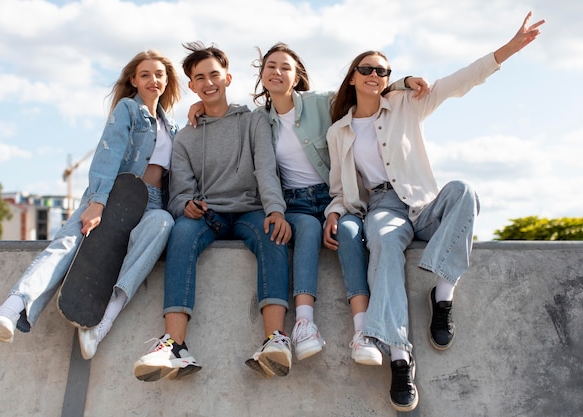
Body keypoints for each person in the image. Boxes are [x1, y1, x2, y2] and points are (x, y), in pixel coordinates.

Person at [323, 12, 544, 412]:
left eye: (382, 70)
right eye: (367, 69)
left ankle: (442, 296)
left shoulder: (407, 103)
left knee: (464, 191)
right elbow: (341, 188)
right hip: (383, 206)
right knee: (385, 248)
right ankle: (400, 358)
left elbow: (461, 81)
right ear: (353, 77)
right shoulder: (338, 131)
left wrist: (509, 49)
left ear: (389, 77)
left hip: (424, 202)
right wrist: (335, 213)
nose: (374, 74)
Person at [0, 50, 181, 361]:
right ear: (133, 80)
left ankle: (102, 323)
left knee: (164, 224)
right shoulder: (128, 110)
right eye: (145, 74)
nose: (153, 80)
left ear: (167, 80)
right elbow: (108, 154)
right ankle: (10, 309)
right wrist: (98, 202)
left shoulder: (172, 126)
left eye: (159, 74)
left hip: (151, 203)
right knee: (70, 242)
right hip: (115, 194)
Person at [249, 43, 429, 362]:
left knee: (348, 232)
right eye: (270, 66)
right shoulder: (259, 120)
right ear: (261, 74)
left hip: (337, 196)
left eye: (285, 67)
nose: (277, 72)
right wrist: (198, 108)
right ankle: (305, 324)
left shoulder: (323, 102)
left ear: (297, 76)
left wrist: (404, 81)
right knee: (304, 230)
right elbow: (264, 169)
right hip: (298, 204)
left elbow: (368, 87)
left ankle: (363, 332)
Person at [132, 41, 292, 382]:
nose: (208, 83)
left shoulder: (253, 122)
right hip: (208, 217)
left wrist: (276, 210)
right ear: (191, 85)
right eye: (200, 77)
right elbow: (178, 194)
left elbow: (266, 170)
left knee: (273, 233)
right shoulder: (186, 138)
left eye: (214, 75)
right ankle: (174, 345)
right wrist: (185, 206)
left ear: (228, 78)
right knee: (181, 233)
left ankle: (275, 340)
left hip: (250, 211)